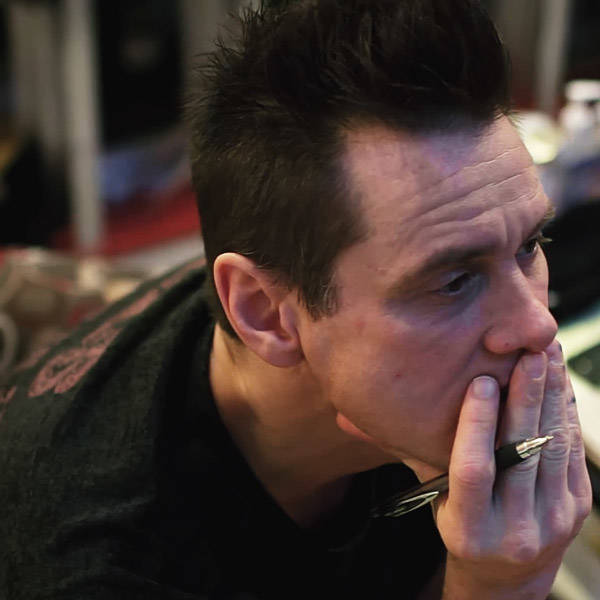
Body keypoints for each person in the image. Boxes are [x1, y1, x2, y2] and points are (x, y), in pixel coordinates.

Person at [0, 0, 592, 598]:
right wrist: (502, 584)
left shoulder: (387, 387)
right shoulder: (101, 568)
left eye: (529, 245)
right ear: (264, 314)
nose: (537, 325)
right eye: (454, 281)